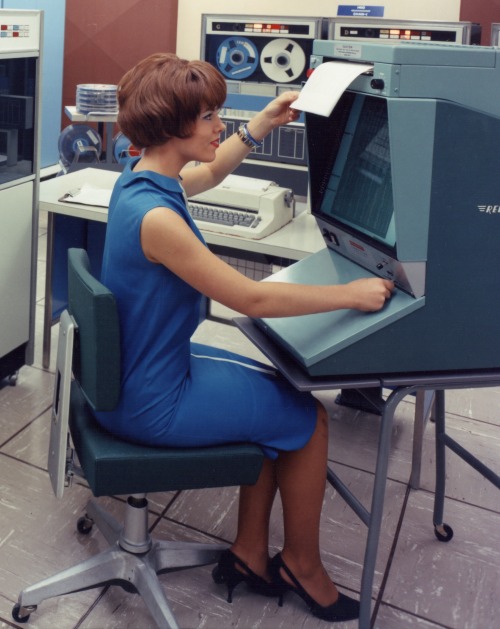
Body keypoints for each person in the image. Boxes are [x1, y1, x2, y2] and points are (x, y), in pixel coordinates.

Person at [95, 52, 394, 623]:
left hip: (140, 369)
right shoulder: (159, 221)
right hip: (152, 399)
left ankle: (250, 553)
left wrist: (260, 127)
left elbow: (204, 174)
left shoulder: (141, 178)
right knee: (309, 420)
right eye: (209, 116)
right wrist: (351, 294)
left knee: (275, 394)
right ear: (173, 124)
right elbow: (250, 298)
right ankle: (302, 565)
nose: (218, 127)